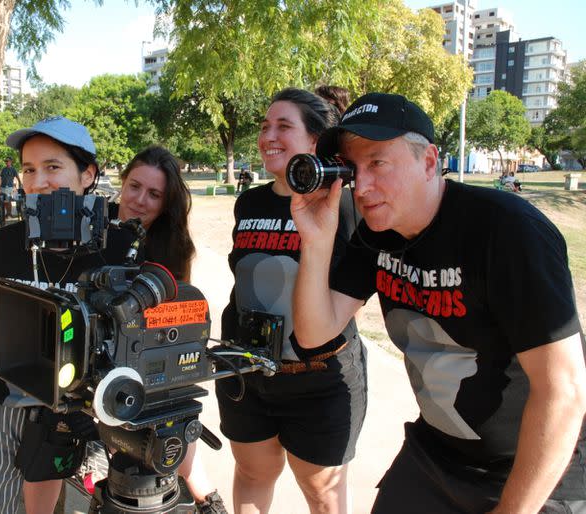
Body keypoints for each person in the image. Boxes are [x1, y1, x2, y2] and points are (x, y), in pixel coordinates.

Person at [291, 92, 586, 514]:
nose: (363, 186)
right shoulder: (378, 231)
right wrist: (316, 241)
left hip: (534, 468)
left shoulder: (507, 231)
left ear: (429, 161)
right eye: (354, 169)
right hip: (437, 453)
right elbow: (315, 333)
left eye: (377, 162)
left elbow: (565, 390)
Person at [0, 116, 132, 514]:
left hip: (74, 417)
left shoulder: (118, 251)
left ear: (88, 175)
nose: (38, 181)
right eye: (29, 169)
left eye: (53, 167)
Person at [216, 87, 367, 514]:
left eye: (284, 126)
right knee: (251, 475)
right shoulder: (249, 203)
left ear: (315, 141)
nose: (268, 136)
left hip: (318, 378)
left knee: (322, 494)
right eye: (265, 126)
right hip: (245, 370)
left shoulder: (345, 204)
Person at [114, 145, 226, 513]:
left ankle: (206, 499)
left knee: (174, 409)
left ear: (165, 203)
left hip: (149, 356)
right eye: (134, 186)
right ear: (122, 183)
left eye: (154, 194)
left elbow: (178, 317)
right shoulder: (92, 228)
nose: (140, 200)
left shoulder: (171, 246)